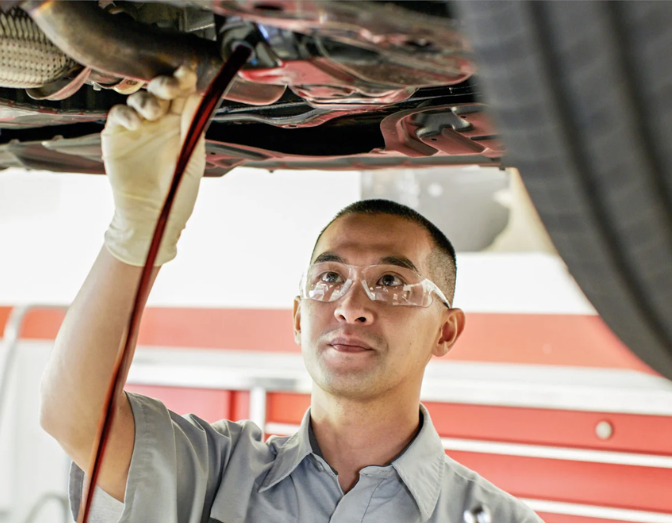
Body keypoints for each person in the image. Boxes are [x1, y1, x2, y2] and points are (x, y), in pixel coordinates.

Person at [39, 67, 543, 523]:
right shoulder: (218, 472)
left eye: (390, 282)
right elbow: (75, 416)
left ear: (446, 330)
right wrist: (136, 235)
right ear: (299, 317)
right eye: (329, 278)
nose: (350, 306)